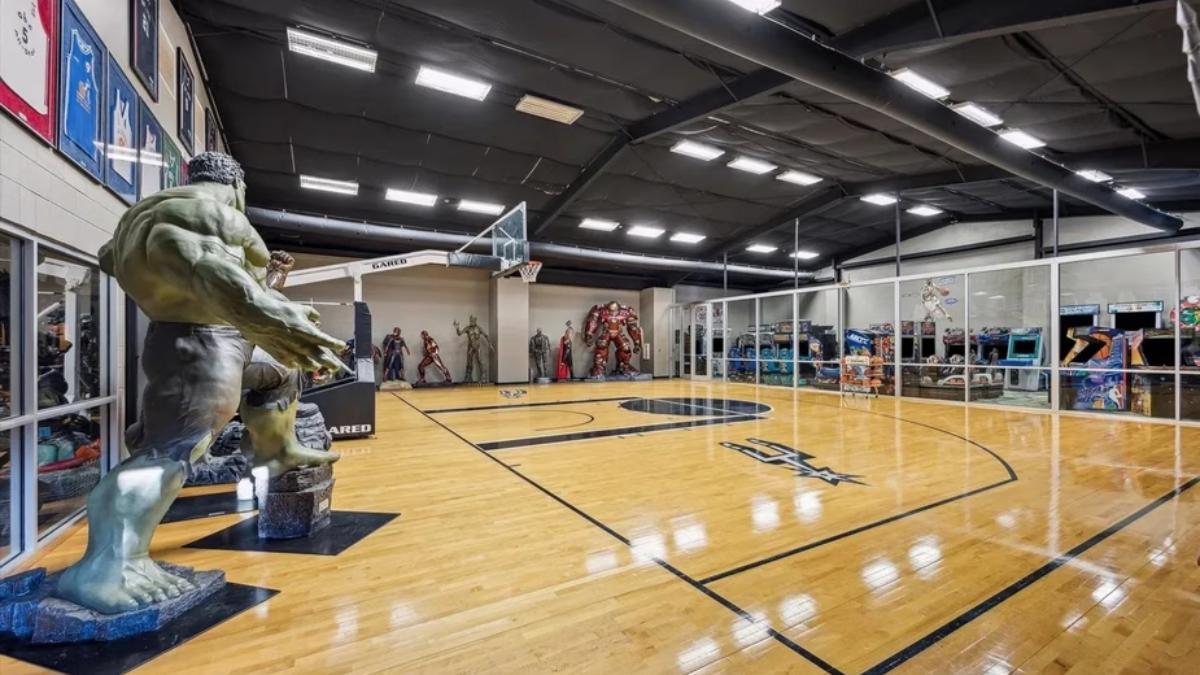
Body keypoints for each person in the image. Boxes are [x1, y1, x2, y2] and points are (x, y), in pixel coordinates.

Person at [55, 152, 344, 614]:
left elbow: (127, 262)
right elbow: (209, 268)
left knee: (282, 373)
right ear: (237, 185)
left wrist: (268, 295)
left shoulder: (144, 218)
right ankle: (107, 564)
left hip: (220, 336)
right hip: (201, 342)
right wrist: (278, 317)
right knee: (174, 451)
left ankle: (277, 448)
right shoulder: (208, 213)